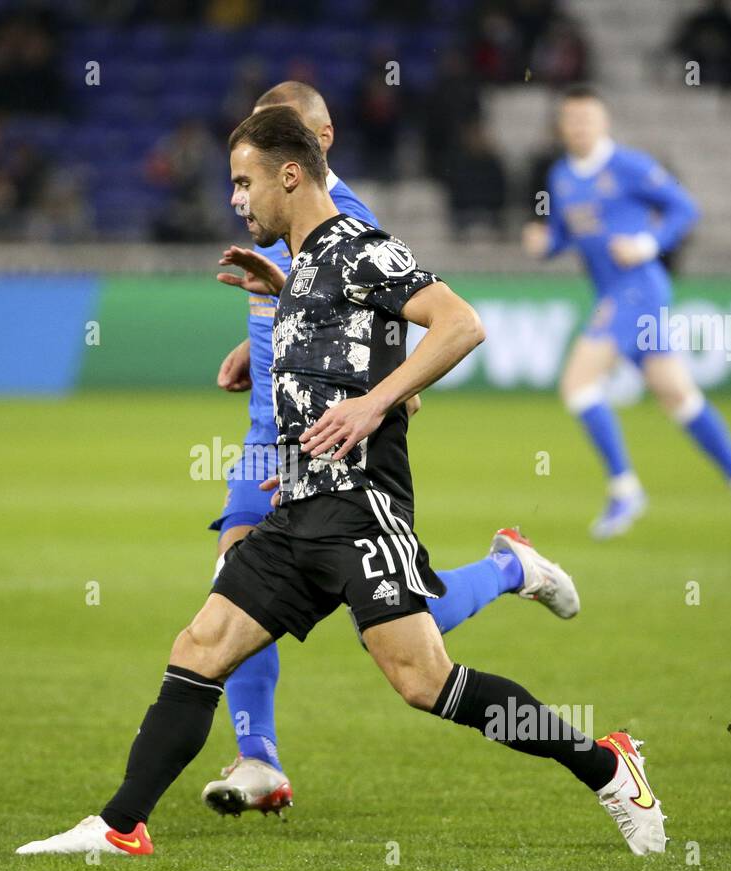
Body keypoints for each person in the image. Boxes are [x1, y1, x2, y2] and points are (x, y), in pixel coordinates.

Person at [16, 106, 666, 859]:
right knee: (202, 643)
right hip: (297, 509)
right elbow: (345, 335)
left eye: (243, 181)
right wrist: (275, 303)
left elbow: (459, 323)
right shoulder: (302, 264)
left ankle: (609, 764)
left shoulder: (360, 247)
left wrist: (375, 402)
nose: (236, 198)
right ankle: (120, 824)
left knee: (424, 681)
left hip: (362, 511)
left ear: (289, 174)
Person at [204, 81, 577, 818]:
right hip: (265, 434)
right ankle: (260, 758)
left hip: (328, 450)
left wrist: (372, 402)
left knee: (404, 633)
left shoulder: (353, 224)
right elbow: (300, 312)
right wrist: (259, 344)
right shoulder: (271, 209)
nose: (244, 190)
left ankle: (510, 566)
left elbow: (401, 370)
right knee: (231, 578)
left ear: (318, 144)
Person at [522, 85, 731, 545]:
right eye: (572, 120)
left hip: (639, 289)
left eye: (588, 119)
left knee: (577, 383)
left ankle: (625, 489)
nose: (579, 127)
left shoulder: (630, 166)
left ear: (604, 123)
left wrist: (647, 244)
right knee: (677, 394)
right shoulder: (561, 175)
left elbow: (686, 208)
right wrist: (546, 245)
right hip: (616, 293)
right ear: (562, 127)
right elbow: (567, 234)